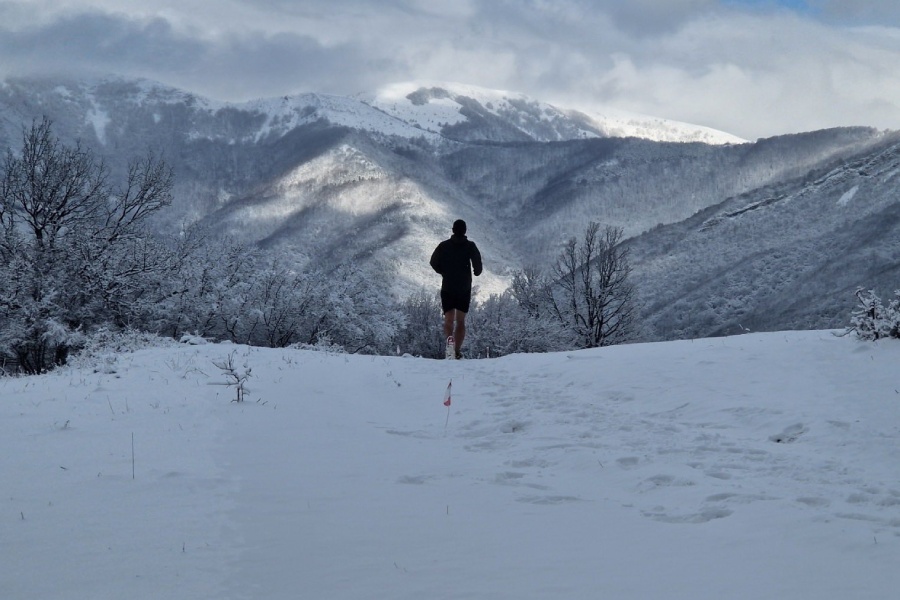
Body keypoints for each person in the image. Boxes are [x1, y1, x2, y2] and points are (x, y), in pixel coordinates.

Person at [430, 219, 483, 359]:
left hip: (447, 286)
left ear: (453, 230)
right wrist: (475, 272)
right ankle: (457, 351)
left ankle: (449, 348)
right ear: (465, 231)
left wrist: (443, 271)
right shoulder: (470, 246)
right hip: (464, 287)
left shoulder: (443, 245)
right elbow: (478, 268)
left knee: (448, 319)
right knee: (460, 321)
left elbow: (433, 262)